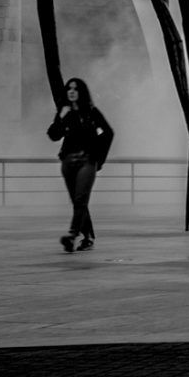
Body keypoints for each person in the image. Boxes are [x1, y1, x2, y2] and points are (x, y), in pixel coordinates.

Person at [45, 76, 114, 252]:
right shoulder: (65, 112)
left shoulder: (91, 112)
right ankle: (88, 236)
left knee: (80, 200)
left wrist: (99, 159)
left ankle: (72, 235)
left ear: (81, 92)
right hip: (68, 161)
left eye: (75, 88)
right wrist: (60, 117)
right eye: (69, 89)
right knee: (78, 201)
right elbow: (54, 135)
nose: (72, 91)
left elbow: (108, 133)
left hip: (87, 161)